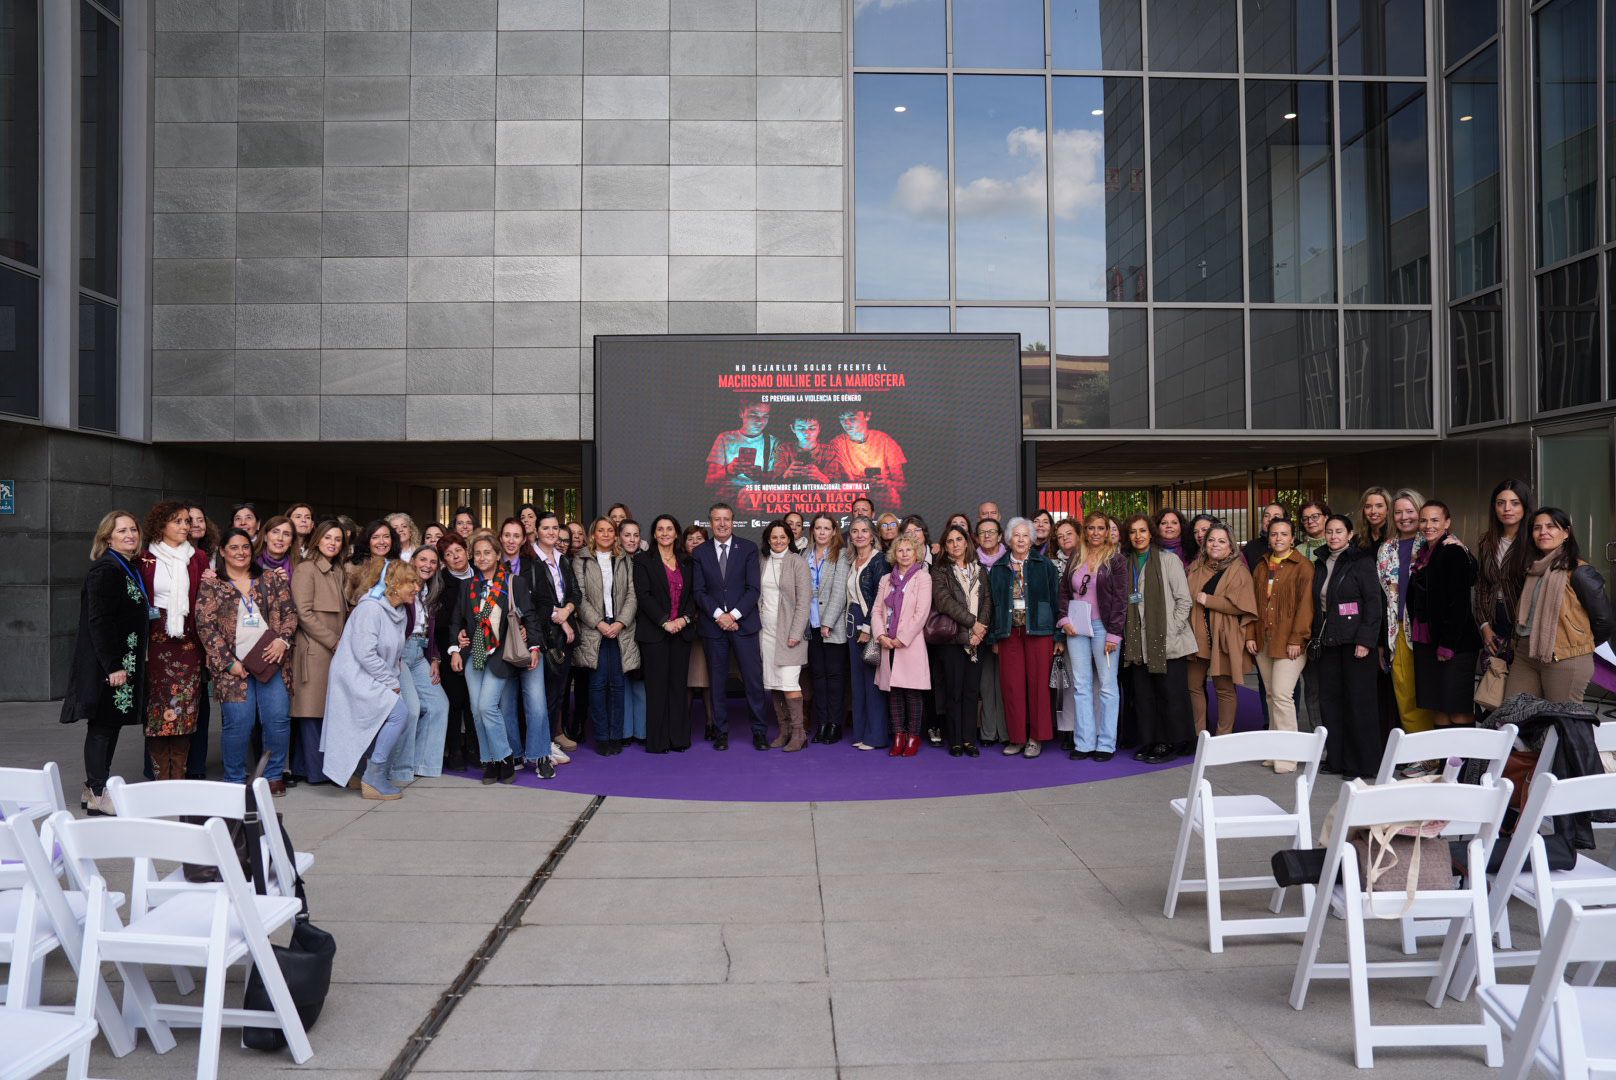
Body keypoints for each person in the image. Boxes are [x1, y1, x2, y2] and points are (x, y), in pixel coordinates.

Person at [61, 510, 150, 816]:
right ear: (107, 537)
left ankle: (92, 789)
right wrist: (113, 666)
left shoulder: (125, 567)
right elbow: (99, 622)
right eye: (122, 530)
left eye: (133, 530)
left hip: (120, 664)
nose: (129, 535)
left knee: (109, 726)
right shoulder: (106, 571)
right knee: (101, 727)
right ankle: (98, 792)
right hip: (108, 666)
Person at [195, 528, 298, 792]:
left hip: (270, 660)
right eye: (234, 548)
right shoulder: (212, 584)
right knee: (239, 722)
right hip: (233, 666)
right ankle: (235, 779)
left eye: (245, 548)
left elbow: (290, 614)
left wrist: (282, 641)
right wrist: (229, 663)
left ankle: (273, 775)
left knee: (277, 718)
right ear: (222, 551)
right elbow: (205, 625)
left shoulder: (270, 579)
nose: (241, 553)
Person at [321, 561, 421, 800]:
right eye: (411, 582)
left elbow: (394, 654)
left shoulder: (399, 612)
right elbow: (365, 653)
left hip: (371, 674)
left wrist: (391, 677)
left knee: (382, 718)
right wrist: (391, 682)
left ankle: (357, 772)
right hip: (354, 676)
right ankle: (374, 775)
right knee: (399, 714)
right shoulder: (370, 609)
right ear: (393, 585)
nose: (416, 587)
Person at [446, 532, 540, 783]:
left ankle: (506, 756)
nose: (482, 557)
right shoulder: (468, 586)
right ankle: (491, 760)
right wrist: (455, 648)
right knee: (477, 711)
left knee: (487, 706)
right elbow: (456, 621)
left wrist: (534, 646)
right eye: (477, 553)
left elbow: (529, 616)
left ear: (498, 555)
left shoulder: (513, 582)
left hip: (500, 654)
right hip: (474, 652)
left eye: (488, 552)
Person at [1503, 507, 1616, 703]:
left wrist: (1577, 645)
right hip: (1525, 654)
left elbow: (1604, 621)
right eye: (1537, 528)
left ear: (1566, 533)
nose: (1543, 532)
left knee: (1564, 722)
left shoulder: (1580, 572)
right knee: (1515, 715)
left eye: (1551, 526)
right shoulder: (1534, 569)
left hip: (1564, 657)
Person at [136, 501, 212, 780]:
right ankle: (160, 777)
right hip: (156, 643)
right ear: (161, 525)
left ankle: (178, 777)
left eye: (186, 521)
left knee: (186, 708)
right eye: (177, 521)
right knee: (157, 710)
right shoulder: (145, 558)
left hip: (188, 643)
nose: (184, 526)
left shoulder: (199, 557)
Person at [1117, 513, 1197, 764]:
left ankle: (1171, 742)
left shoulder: (1168, 560)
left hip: (1167, 641)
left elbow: (1184, 600)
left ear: (1151, 533)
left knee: (1170, 695)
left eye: (1142, 531)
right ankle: (1151, 740)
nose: (1138, 536)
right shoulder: (1124, 563)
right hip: (1138, 644)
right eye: (1133, 532)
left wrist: (1170, 629)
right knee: (1144, 696)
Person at [1310, 514, 1385, 778]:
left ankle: (1362, 764)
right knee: (1331, 702)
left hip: (1356, 642)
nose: (1333, 536)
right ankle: (1337, 759)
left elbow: (1374, 603)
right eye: (1329, 531)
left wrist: (1366, 640)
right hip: (1329, 641)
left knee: (1358, 702)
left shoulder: (1361, 561)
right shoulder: (1320, 563)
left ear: (1350, 534)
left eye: (1339, 531)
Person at [692, 503, 770, 752]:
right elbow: (699, 591)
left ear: (733, 521)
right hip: (714, 627)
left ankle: (759, 732)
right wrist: (719, 616)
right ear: (710, 523)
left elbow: (753, 589)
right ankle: (720, 731)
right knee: (717, 682)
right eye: (717, 519)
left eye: (726, 519)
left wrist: (733, 615)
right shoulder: (700, 552)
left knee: (753, 681)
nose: (722, 524)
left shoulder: (747, 548)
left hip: (743, 625)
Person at [987, 517, 1062, 758]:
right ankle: (1017, 737)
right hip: (1009, 633)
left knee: (1039, 686)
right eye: (1016, 535)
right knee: (1012, 685)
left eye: (1025, 535)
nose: (1020, 539)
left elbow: (1057, 599)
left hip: (1040, 631)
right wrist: (995, 637)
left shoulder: (1045, 565)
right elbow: (993, 605)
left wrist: (1059, 635)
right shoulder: (999, 568)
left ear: (1031, 539)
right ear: (1008, 539)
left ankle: (1036, 738)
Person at [1245, 517, 1314, 773]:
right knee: (1272, 695)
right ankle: (1274, 751)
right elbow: (1252, 603)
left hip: (1290, 642)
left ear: (1292, 538)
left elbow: (1306, 606)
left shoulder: (1303, 566)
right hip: (1264, 640)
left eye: (1284, 534)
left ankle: (1288, 755)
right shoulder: (1262, 565)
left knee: (1283, 695)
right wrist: (1250, 634)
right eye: (1274, 534)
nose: (1278, 539)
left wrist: (1298, 638)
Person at [1406, 500, 1481, 728]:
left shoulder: (1452, 551)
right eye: (1424, 520)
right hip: (1427, 641)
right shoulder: (1425, 553)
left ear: (1447, 523)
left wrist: (1447, 644)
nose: (1428, 525)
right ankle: (1444, 764)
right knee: (1436, 706)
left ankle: (1465, 764)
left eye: (1435, 520)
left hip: (1453, 645)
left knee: (1456, 709)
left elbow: (1458, 603)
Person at [1060, 512, 1127, 761]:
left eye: (1101, 528)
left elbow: (1121, 601)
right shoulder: (1077, 556)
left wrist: (1114, 634)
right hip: (1076, 628)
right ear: (1085, 531)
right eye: (1091, 528)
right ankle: (1084, 742)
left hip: (1104, 629)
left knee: (1108, 687)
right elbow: (1064, 591)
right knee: (1081, 685)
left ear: (1108, 532)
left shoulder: (1117, 561)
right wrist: (1064, 619)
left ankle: (1106, 744)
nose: (1096, 532)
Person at [289, 518, 349, 786]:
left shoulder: (337, 570)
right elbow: (303, 613)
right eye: (328, 538)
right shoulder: (306, 569)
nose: (333, 543)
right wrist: (333, 641)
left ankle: (306, 768)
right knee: (311, 712)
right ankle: (315, 772)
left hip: (332, 648)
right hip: (315, 648)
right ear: (317, 540)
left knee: (323, 712)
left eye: (337, 539)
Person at [1376, 488, 1438, 740]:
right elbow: (1381, 597)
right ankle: (1419, 752)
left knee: (1431, 690)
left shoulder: (1435, 543)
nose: (1404, 517)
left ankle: (1437, 753)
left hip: (1429, 628)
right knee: (1405, 690)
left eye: (1410, 511)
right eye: (1398, 512)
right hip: (1397, 628)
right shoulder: (1386, 549)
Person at [575, 516, 639, 755]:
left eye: (609, 530)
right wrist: (599, 624)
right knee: (598, 684)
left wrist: (620, 622)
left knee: (618, 684)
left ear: (615, 534)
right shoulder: (581, 559)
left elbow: (633, 595)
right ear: (593, 535)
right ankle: (602, 736)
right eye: (600, 530)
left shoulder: (624, 560)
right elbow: (579, 597)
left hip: (620, 629)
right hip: (595, 630)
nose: (605, 534)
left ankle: (616, 735)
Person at [1186, 522, 1256, 738]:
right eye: (1211, 540)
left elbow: (1241, 606)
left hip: (1223, 639)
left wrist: (1210, 601)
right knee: (1193, 686)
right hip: (1196, 637)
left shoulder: (1238, 570)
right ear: (1205, 544)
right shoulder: (1196, 567)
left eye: (1221, 541)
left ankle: (1224, 736)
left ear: (1230, 546)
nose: (1215, 544)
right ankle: (1199, 735)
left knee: (1224, 689)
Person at [634, 515, 696, 753]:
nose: (665, 533)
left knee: (678, 687)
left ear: (677, 533)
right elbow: (644, 595)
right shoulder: (643, 561)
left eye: (669, 529)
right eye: (660, 529)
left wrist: (684, 619)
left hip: (681, 632)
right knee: (657, 688)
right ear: (654, 533)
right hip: (655, 634)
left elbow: (693, 596)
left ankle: (678, 738)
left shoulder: (687, 561)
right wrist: (664, 622)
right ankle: (658, 741)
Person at [496, 516, 554, 769]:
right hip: (501, 646)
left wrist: (528, 634)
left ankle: (540, 755)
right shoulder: (492, 566)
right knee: (506, 703)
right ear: (500, 538)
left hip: (531, 642)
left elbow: (545, 604)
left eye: (516, 536)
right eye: (507, 535)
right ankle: (515, 753)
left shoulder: (534, 566)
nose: (511, 540)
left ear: (523, 539)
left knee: (536, 703)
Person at [931, 524, 991, 757]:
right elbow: (944, 602)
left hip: (977, 641)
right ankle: (955, 740)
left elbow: (987, 601)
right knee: (953, 692)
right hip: (953, 640)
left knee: (971, 691)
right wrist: (972, 624)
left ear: (967, 542)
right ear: (945, 547)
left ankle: (969, 740)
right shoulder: (940, 571)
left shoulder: (980, 569)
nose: (955, 544)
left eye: (959, 539)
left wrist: (980, 630)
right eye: (950, 541)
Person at [871, 535, 932, 756]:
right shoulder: (886, 579)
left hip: (910, 644)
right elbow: (877, 610)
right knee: (894, 691)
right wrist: (880, 635)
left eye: (909, 550)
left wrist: (902, 638)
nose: (904, 554)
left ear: (916, 553)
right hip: (887, 642)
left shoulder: (923, 578)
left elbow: (921, 613)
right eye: (900, 550)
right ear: (894, 554)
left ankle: (913, 737)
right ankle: (898, 735)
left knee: (912, 693)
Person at [397, 545, 452, 781]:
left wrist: (436, 658)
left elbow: (428, 634)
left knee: (439, 705)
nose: (427, 565)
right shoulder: (401, 587)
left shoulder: (430, 591)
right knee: (411, 709)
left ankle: (423, 765)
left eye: (432, 561)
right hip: (399, 654)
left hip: (420, 654)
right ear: (412, 561)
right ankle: (399, 769)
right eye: (423, 560)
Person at [757, 521, 812, 751]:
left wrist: (795, 633)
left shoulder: (797, 562)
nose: (778, 541)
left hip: (790, 634)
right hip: (766, 633)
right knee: (774, 684)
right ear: (768, 540)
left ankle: (799, 734)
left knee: (789, 682)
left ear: (789, 539)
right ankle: (784, 731)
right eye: (774, 537)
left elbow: (804, 602)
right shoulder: (763, 561)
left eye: (782, 537)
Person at [531, 511, 580, 762]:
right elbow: (534, 600)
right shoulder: (530, 560)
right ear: (537, 531)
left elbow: (575, 594)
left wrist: (566, 613)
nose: (551, 533)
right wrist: (560, 619)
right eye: (546, 528)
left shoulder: (562, 560)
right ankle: (541, 746)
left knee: (558, 693)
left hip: (564, 635)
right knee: (543, 694)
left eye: (554, 528)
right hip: (544, 635)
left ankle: (549, 741)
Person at [844, 515, 890, 751]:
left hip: (869, 625)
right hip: (851, 625)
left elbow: (880, 598)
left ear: (872, 534)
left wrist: (868, 629)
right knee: (858, 682)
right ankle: (861, 733)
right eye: (854, 531)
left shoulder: (879, 560)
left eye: (864, 530)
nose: (859, 534)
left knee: (873, 682)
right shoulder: (853, 560)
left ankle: (876, 736)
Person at [804, 514, 851, 744]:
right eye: (818, 528)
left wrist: (827, 623)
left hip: (832, 627)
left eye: (827, 528)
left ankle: (835, 724)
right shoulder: (805, 555)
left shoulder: (841, 555)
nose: (822, 532)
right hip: (810, 626)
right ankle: (822, 724)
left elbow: (841, 592)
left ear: (834, 531)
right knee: (818, 677)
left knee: (834, 678)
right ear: (812, 530)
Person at [1475, 480, 1534, 659]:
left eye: (1514, 503)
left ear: (1525, 506)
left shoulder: (1535, 541)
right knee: (1494, 680)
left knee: (1521, 684)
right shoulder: (1487, 542)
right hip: (1494, 620)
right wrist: (1484, 625)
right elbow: (1482, 586)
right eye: (1501, 503)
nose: (1507, 508)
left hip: (1526, 625)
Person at [434, 533, 478, 770]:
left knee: (475, 700)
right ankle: (455, 751)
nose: (455, 557)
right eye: (448, 554)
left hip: (480, 645)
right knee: (455, 700)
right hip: (450, 648)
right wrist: (457, 639)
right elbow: (439, 619)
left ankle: (473, 747)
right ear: (444, 560)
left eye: (458, 551)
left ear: (467, 551)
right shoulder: (440, 582)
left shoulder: (481, 574)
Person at [706, 401, 788, 507]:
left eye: (765, 416)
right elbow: (709, 482)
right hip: (728, 498)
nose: (760, 421)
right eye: (754, 415)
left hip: (757, 496)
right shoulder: (725, 438)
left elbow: (777, 482)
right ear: (741, 413)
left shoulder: (773, 442)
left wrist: (760, 476)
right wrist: (728, 470)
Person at [974, 516, 1010, 746]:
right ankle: (988, 733)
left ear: (999, 536)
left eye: (992, 532)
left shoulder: (1010, 560)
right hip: (978, 630)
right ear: (977, 538)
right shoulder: (971, 561)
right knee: (986, 684)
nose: (987, 536)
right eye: (982, 532)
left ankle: (1006, 732)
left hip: (1006, 630)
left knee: (1006, 683)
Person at [830, 408, 908, 509]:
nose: (846, 423)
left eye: (852, 418)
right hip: (855, 502)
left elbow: (902, 486)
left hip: (885, 503)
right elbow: (841, 483)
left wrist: (885, 483)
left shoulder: (885, 441)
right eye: (842, 418)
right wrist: (862, 485)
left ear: (867, 416)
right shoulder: (838, 443)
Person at [681, 524, 717, 740]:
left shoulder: (712, 562)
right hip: (682, 629)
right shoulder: (678, 562)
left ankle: (711, 722)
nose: (694, 542)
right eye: (690, 539)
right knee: (685, 679)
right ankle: (682, 724)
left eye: (699, 539)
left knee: (706, 679)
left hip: (708, 626)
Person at [617, 520, 648, 740]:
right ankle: (626, 731)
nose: (631, 539)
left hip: (643, 627)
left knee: (640, 681)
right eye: (627, 535)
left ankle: (642, 731)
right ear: (619, 537)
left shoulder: (646, 559)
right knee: (623, 680)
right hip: (619, 627)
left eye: (635, 535)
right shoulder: (612, 561)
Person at [347, 518, 399, 605]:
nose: (382, 542)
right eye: (375, 537)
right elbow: (346, 602)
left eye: (386, 537)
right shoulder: (353, 567)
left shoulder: (399, 566)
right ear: (367, 541)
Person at [784, 417, 838, 484]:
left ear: (819, 428)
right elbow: (774, 483)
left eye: (812, 428)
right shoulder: (784, 450)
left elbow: (838, 486)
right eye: (801, 428)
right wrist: (785, 475)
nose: (807, 433)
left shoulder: (829, 451)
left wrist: (821, 477)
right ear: (793, 428)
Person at [1242, 502, 1287, 569]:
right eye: (1266, 516)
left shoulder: (1295, 547)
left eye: (1276, 516)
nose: (1270, 519)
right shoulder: (1250, 547)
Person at [256, 515, 297, 580]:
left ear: (291, 542)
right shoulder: (251, 562)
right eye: (275, 532)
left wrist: (285, 585)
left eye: (286, 534)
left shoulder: (298, 566)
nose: (280, 538)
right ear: (265, 537)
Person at [1358, 486, 1393, 551]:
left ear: (1388, 509)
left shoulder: (1396, 537)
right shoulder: (1357, 540)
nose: (1373, 511)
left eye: (1379, 506)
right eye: (1368, 507)